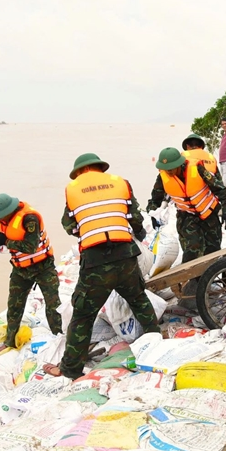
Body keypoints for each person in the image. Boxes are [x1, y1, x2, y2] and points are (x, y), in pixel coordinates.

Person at [44, 153, 161, 379]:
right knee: (138, 300)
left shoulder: (73, 189)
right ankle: (157, 346)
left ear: (79, 172)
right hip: (126, 255)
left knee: (83, 315)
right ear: (101, 169)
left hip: (96, 262)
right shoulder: (120, 183)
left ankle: (70, 369)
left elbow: (69, 225)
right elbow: (135, 218)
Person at [148, 147, 226, 308]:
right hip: (187, 217)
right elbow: (155, 198)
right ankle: (191, 289)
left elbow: (220, 189)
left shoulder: (197, 168)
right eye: (166, 170)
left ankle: (210, 283)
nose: (170, 172)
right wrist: (153, 212)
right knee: (192, 250)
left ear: (180, 164)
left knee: (213, 250)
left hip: (209, 214)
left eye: (172, 169)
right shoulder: (163, 176)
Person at [0, 194, 63, 351]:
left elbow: (30, 246)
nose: (0, 219)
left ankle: (59, 337)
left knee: (52, 304)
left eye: (2, 216)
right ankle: (9, 340)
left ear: (9, 211)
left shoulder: (29, 219)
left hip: (44, 267)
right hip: (20, 269)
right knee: (14, 304)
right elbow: (1, 237)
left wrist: (7, 242)